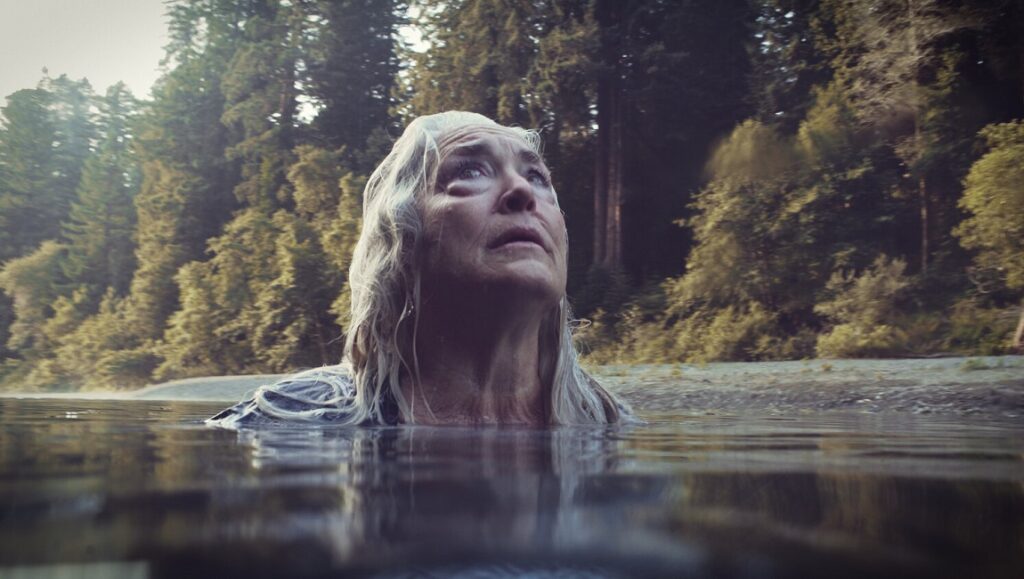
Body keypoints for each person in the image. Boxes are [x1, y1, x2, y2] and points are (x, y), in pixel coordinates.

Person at [208, 111, 630, 428]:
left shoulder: (607, 422)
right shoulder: (287, 418)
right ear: (402, 241)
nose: (522, 190)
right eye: (469, 170)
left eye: (537, 176)